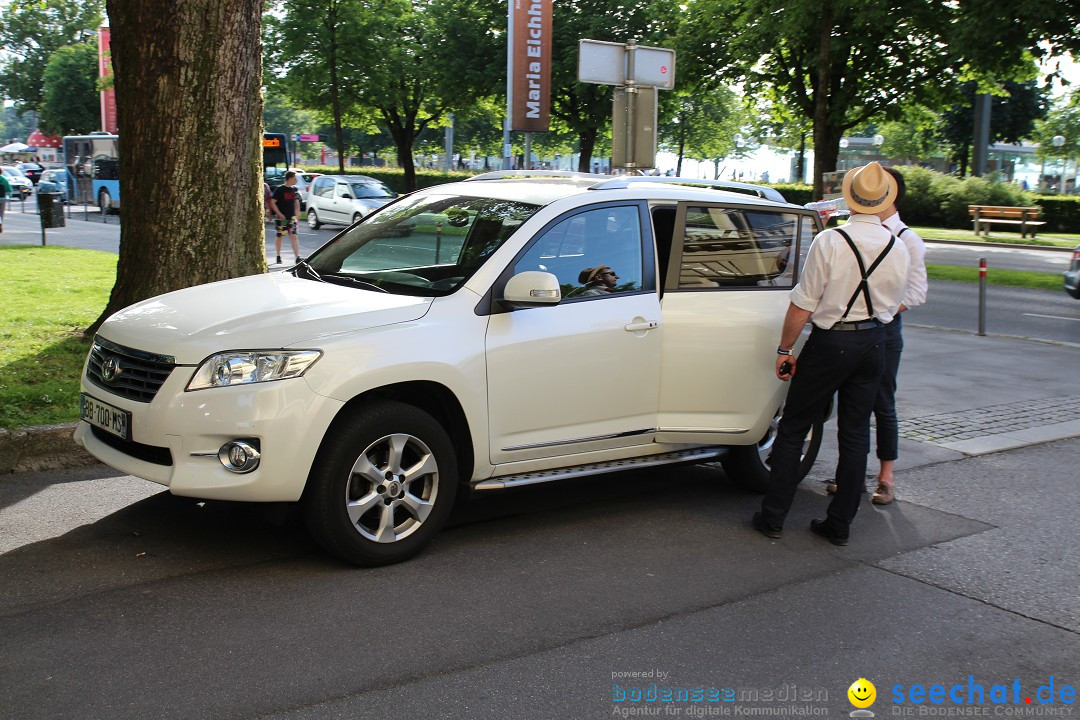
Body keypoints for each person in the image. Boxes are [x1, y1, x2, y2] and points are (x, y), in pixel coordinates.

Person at [752, 162, 910, 546]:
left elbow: (802, 305)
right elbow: (895, 304)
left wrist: (785, 348)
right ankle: (839, 524)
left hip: (831, 341)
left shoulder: (831, 241)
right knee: (855, 434)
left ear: (850, 199)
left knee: (794, 427)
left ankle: (773, 517)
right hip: (874, 341)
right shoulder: (898, 245)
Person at [826, 167, 927, 505]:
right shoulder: (854, 231)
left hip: (883, 328)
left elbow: (915, 293)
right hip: (852, 327)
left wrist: (880, 311)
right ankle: (848, 477)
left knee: (882, 403)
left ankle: (886, 477)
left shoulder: (907, 238)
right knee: (851, 406)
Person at [270, 171, 302, 265]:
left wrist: (298, 213)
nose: (296, 180)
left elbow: (296, 202)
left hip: (291, 217)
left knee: (294, 236)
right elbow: (272, 202)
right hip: (282, 219)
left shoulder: (295, 189)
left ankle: (297, 257)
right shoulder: (280, 189)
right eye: (294, 178)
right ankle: (278, 256)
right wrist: (279, 213)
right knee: (280, 236)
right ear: (289, 178)